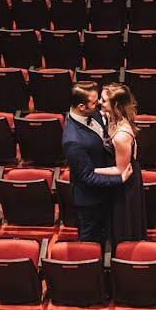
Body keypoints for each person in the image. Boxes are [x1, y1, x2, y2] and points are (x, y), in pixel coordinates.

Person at [62, 81, 133, 247]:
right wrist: (119, 179)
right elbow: (87, 177)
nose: (99, 103)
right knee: (89, 240)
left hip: (105, 187)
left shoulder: (93, 113)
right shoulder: (72, 140)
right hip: (89, 198)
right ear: (81, 107)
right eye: (94, 102)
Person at [95, 83, 147, 245]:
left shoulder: (121, 136)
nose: (99, 102)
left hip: (124, 181)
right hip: (114, 172)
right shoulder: (111, 116)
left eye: (103, 100)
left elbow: (121, 170)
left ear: (115, 105)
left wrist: (92, 171)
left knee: (122, 222)